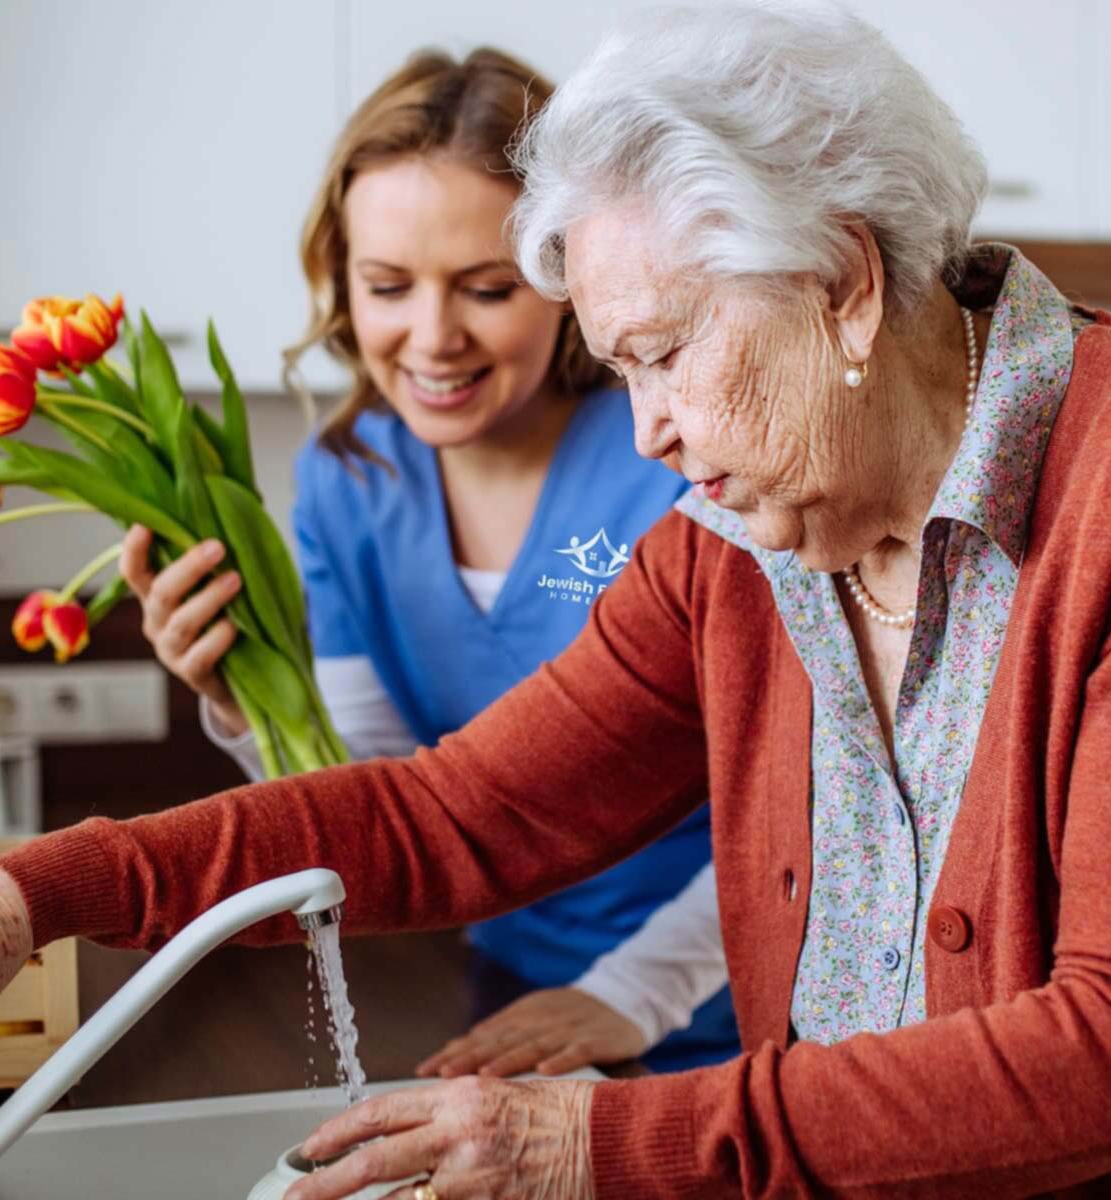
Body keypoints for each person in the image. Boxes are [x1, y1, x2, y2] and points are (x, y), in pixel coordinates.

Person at [0, 4, 1111, 1195]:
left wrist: (600, 1141)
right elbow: (446, 819)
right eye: (622, 364)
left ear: (843, 285)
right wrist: (26, 898)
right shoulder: (737, 544)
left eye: (660, 353)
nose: (642, 425)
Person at [118, 46, 737, 1075]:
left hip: (735, 996)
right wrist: (243, 697)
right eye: (387, 285)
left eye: (487, 287)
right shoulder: (345, 485)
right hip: (518, 998)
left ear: (569, 279)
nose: (431, 337)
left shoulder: (678, 456)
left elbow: (807, 794)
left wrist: (629, 998)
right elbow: (369, 792)